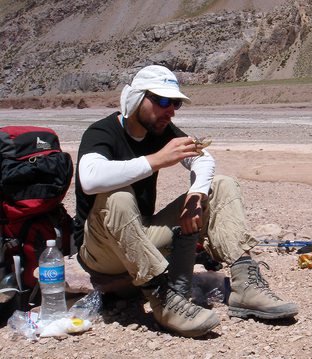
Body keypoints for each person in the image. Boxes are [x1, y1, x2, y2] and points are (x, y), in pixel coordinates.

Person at [74, 65, 298, 337]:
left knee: (220, 185)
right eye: (163, 101)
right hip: (101, 250)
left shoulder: (161, 130)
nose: (171, 110)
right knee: (117, 195)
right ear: (137, 98)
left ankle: (245, 284)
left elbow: (203, 158)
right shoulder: (102, 132)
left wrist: (196, 194)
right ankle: (162, 298)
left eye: (176, 103)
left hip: (141, 237)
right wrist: (157, 160)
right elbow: (90, 178)